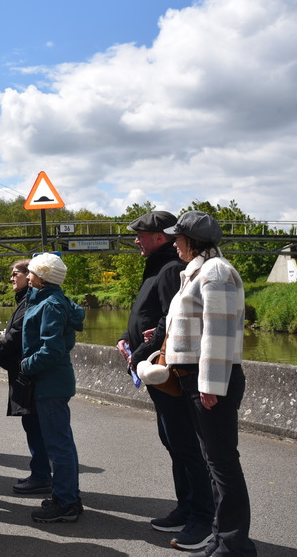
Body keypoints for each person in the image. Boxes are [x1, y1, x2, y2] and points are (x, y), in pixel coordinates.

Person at [118, 211, 214, 551]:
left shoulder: (171, 268)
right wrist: (125, 337)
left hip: (171, 370)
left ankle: (202, 515)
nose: (136, 240)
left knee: (185, 444)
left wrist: (141, 348)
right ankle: (186, 506)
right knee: (173, 441)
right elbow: (147, 313)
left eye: (141, 235)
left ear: (160, 236)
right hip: (155, 366)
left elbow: (169, 321)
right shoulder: (160, 266)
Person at [164, 211, 257, 556]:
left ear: (193, 241)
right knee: (214, 462)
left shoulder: (215, 272)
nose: (175, 243)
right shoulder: (199, 272)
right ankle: (222, 539)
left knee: (222, 464)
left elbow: (217, 334)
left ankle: (235, 546)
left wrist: (210, 386)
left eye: (178, 238)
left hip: (211, 381)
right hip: (197, 380)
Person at [21, 253, 86, 523]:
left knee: (58, 445)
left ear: (43, 277)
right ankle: (67, 496)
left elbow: (52, 350)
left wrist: (26, 365)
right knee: (61, 443)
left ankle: (66, 503)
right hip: (53, 382)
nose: (26, 276)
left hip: (50, 383)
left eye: (31, 272)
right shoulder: (51, 300)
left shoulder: (51, 305)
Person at [0, 259, 49, 495]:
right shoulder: (27, 299)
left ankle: (42, 476)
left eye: (16, 274)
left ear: (30, 275)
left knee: (35, 426)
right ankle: (41, 473)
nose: (12, 278)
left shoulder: (31, 301)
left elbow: (16, 335)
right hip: (25, 374)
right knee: (34, 425)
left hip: (29, 376)